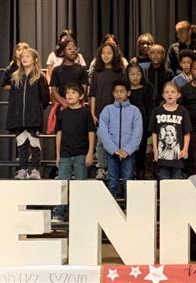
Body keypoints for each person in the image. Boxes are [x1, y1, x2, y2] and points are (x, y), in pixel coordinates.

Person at [53, 83, 95, 222]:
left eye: (73, 92)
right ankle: (59, 213)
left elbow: (91, 133)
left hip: (81, 155)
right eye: (68, 92)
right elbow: (59, 134)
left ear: (81, 96)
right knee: (62, 185)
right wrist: (58, 155)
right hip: (65, 155)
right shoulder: (62, 113)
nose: (69, 95)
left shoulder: (85, 113)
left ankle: (79, 213)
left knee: (80, 186)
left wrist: (90, 153)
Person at [6, 48, 50, 179]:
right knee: (21, 144)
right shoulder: (15, 77)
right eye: (22, 57)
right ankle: (23, 169)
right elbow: (13, 98)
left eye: (28, 56)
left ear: (35, 60)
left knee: (34, 144)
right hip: (18, 119)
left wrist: (36, 109)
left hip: (33, 118)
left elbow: (45, 97)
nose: (24, 58)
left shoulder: (40, 77)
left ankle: (35, 169)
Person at [98, 79, 143, 197]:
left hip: (129, 153)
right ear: (113, 93)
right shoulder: (107, 110)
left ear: (128, 93)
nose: (119, 94)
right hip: (112, 153)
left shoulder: (135, 111)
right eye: (116, 92)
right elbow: (103, 132)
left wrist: (127, 150)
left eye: (122, 91)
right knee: (112, 181)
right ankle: (111, 210)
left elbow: (137, 133)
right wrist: (113, 149)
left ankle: (130, 209)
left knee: (128, 181)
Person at [89, 42, 125, 180]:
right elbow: (92, 95)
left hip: (115, 113)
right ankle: (101, 168)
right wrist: (93, 112)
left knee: (114, 141)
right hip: (100, 113)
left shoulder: (119, 72)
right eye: (103, 53)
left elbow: (122, 93)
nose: (106, 56)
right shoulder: (96, 73)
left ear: (114, 55)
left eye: (109, 53)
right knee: (100, 142)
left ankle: (113, 169)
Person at [149, 82, 192, 179]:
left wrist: (185, 149)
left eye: (173, 92)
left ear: (178, 95)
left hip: (178, 157)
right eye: (167, 92)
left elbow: (187, 133)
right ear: (163, 95)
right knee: (163, 181)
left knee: (176, 182)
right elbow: (154, 133)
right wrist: (155, 150)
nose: (170, 94)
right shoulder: (157, 111)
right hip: (162, 158)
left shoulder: (183, 111)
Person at [127, 62, 155, 179]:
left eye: (138, 73)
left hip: (143, 128)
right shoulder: (125, 90)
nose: (135, 76)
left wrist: (149, 128)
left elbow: (150, 109)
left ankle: (141, 178)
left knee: (141, 155)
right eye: (132, 74)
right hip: (127, 128)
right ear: (127, 76)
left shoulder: (147, 88)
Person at [50, 39, 89, 107]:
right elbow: (54, 90)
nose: (73, 50)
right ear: (62, 52)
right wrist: (63, 103)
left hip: (78, 105)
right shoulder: (57, 70)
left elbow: (84, 88)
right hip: (62, 106)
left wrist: (76, 102)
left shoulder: (81, 69)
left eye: (74, 48)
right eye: (69, 49)